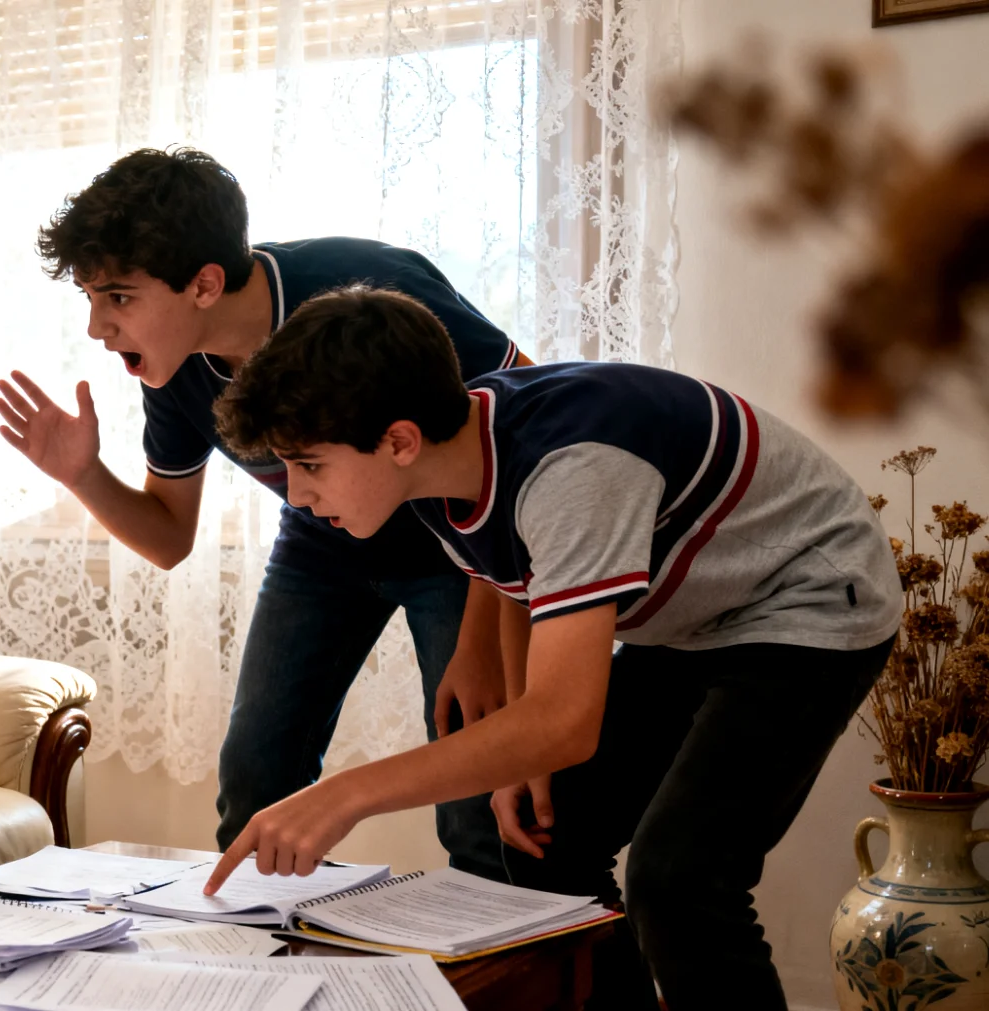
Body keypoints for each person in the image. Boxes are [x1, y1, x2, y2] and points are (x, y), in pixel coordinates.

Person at [204, 287, 901, 1011]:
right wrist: (524, 746)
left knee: (680, 878)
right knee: (546, 835)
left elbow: (567, 719)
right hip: (700, 619)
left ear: (399, 439)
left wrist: (344, 794)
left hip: (810, 596)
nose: (298, 495)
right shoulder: (448, 461)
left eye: (310, 465)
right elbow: (516, 577)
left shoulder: (572, 468)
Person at [0, 148, 526, 877]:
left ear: (205, 283)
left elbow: (524, 434)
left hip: (458, 546)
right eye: (89, 297)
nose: (96, 326)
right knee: (254, 781)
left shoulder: (370, 291)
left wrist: (486, 628)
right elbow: (169, 535)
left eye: (117, 297)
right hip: (323, 542)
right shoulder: (174, 367)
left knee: (477, 801)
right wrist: (83, 475)